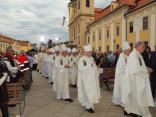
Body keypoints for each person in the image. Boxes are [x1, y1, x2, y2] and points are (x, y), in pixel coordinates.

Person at [122, 42, 154, 117]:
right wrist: (146, 70)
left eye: (144, 47)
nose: (144, 48)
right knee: (137, 96)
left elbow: (140, 66)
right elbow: (135, 69)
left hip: (138, 80)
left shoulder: (138, 55)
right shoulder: (133, 56)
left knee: (135, 96)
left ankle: (129, 110)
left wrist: (146, 68)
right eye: (142, 46)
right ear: (138, 47)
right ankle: (135, 111)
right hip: (135, 80)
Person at [77, 44, 100, 113]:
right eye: (89, 52)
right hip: (85, 80)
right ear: (86, 52)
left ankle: (91, 105)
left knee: (91, 93)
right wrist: (89, 66)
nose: (91, 53)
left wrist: (95, 68)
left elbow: (95, 67)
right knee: (87, 93)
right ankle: (88, 106)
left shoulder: (91, 58)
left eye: (91, 52)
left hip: (91, 80)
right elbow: (81, 69)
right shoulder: (82, 59)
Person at [112, 42, 131, 107]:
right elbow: (120, 68)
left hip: (126, 76)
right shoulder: (122, 57)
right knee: (122, 90)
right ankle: (122, 102)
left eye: (130, 50)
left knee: (123, 90)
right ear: (125, 50)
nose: (130, 52)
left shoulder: (127, 56)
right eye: (129, 50)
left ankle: (122, 102)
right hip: (122, 77)